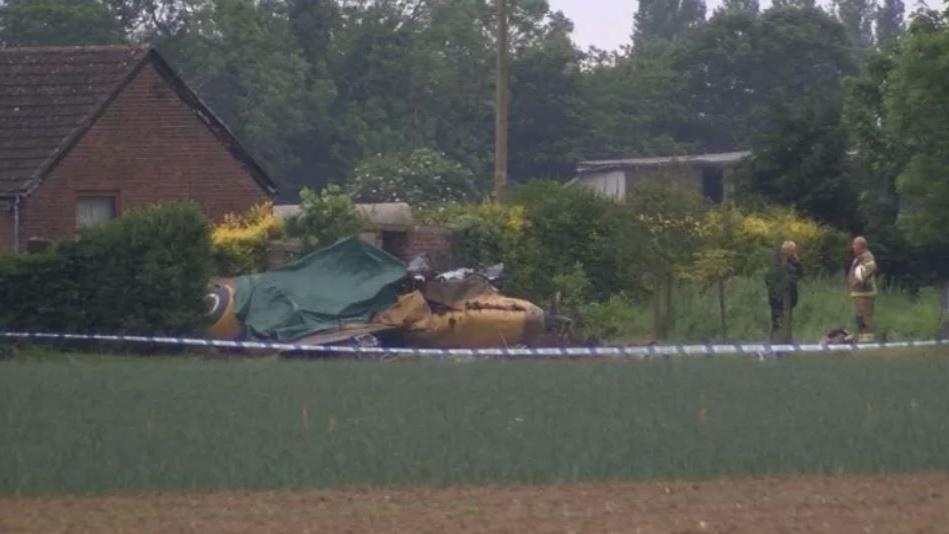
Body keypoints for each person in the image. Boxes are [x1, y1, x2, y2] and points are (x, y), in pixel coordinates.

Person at [765, 241, 803, 342]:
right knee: (779, 321)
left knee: (784, 321)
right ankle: (778, 341)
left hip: (786, 298)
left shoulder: (793, 263)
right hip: (778, 297)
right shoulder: (783, 265)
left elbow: (799, 275)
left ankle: (784, 340)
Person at [848, 236, 878, 343]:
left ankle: (867, 341)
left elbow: (871, 268)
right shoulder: (859, 257)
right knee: (860, 318)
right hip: (859, 293)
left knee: (865, 318)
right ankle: (862, 339)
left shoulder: (867, 256)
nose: (853, 247)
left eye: (854, 244)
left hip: (865, 293)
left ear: (860, 245)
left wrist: (860, 280)